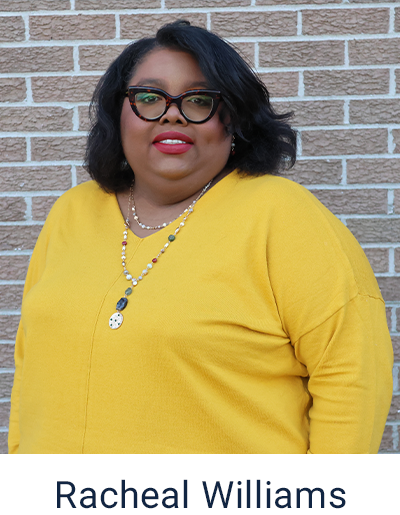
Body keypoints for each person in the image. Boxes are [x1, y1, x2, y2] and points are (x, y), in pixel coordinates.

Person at [8, 21, 393, 454]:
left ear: (234, 123)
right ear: (118, 116)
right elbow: (29, 369)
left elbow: (353, 376)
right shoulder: (71, 213)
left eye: (200, 100)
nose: (172, 113)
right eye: (149, 97)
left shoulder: (282, 215)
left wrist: (317, 513)